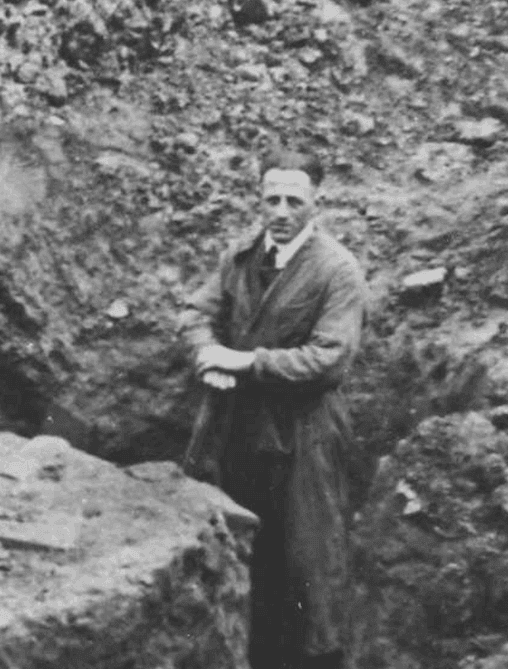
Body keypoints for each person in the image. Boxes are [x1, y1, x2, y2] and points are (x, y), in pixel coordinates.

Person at [180, 149, 370, 669]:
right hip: (240, 428)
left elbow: (329, 359)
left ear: (317, 202)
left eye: (294, 200)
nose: (281, 211)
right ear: (258, 199)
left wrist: (243, 362)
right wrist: (205, 355)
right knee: (242, 549)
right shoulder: (240, 257)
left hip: (306, 433)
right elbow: (197, 313)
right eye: (272, 199)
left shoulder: (337, 271)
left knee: (309, 562)